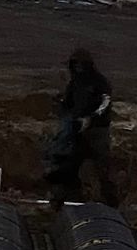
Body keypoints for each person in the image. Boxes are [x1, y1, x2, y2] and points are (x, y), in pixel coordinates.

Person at [48, 47, 117, 209]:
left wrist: (90, 119)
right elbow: (68, 104)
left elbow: (105, 104)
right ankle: (59, 203)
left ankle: (110, 206)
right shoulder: (75, 83)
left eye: (80, 65)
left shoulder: (100, 82)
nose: (78, 68)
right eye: (75, 65)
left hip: (97, 132)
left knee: (102, 169)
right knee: (67, 166)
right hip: (76, 131)